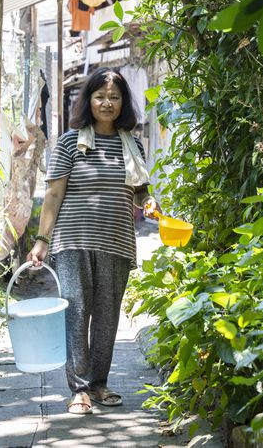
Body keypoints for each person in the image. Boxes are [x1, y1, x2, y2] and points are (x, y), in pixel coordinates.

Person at [27, 67, 161, 415]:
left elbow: (139, 195)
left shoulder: (133, 144)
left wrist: (150, 205)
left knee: (106, 317)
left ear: (122, 103)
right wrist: (42, 240)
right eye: (100, 96)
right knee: (76, 312)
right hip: (73, 240)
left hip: (116, 242)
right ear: (89, 100)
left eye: (114, 97)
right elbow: (53, 195)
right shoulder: (70, 142)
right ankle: (80, 389)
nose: (107, 102)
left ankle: (99, 384)